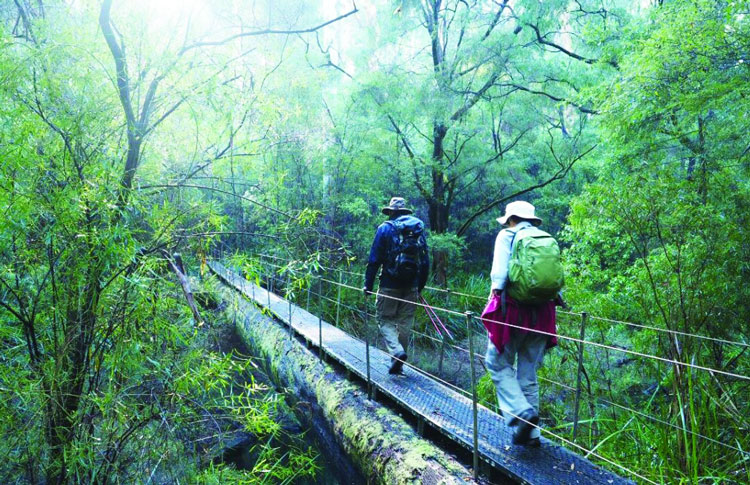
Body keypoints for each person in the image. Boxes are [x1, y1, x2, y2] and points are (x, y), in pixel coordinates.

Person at [481, 200, 560, 446]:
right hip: (543, 313)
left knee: (496, 363)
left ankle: (520, 413)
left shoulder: (507, 235)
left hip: (514, 311)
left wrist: (494, 301)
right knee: (528, 373)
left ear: (511, 219)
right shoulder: (544, 237)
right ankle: (532, 435)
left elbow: (499, 275)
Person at [364, 197, 429, 375]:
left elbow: (374, 260)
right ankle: (398, 362)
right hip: (412, 286)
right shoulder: (417, 231)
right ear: (405, 212)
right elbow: (425, 261)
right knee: (405, 322)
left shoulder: (385, 228)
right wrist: (419, 286)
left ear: (391, 212)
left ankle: (396, 352)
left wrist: (368, 285)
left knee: (384, 319)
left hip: (388, 284)